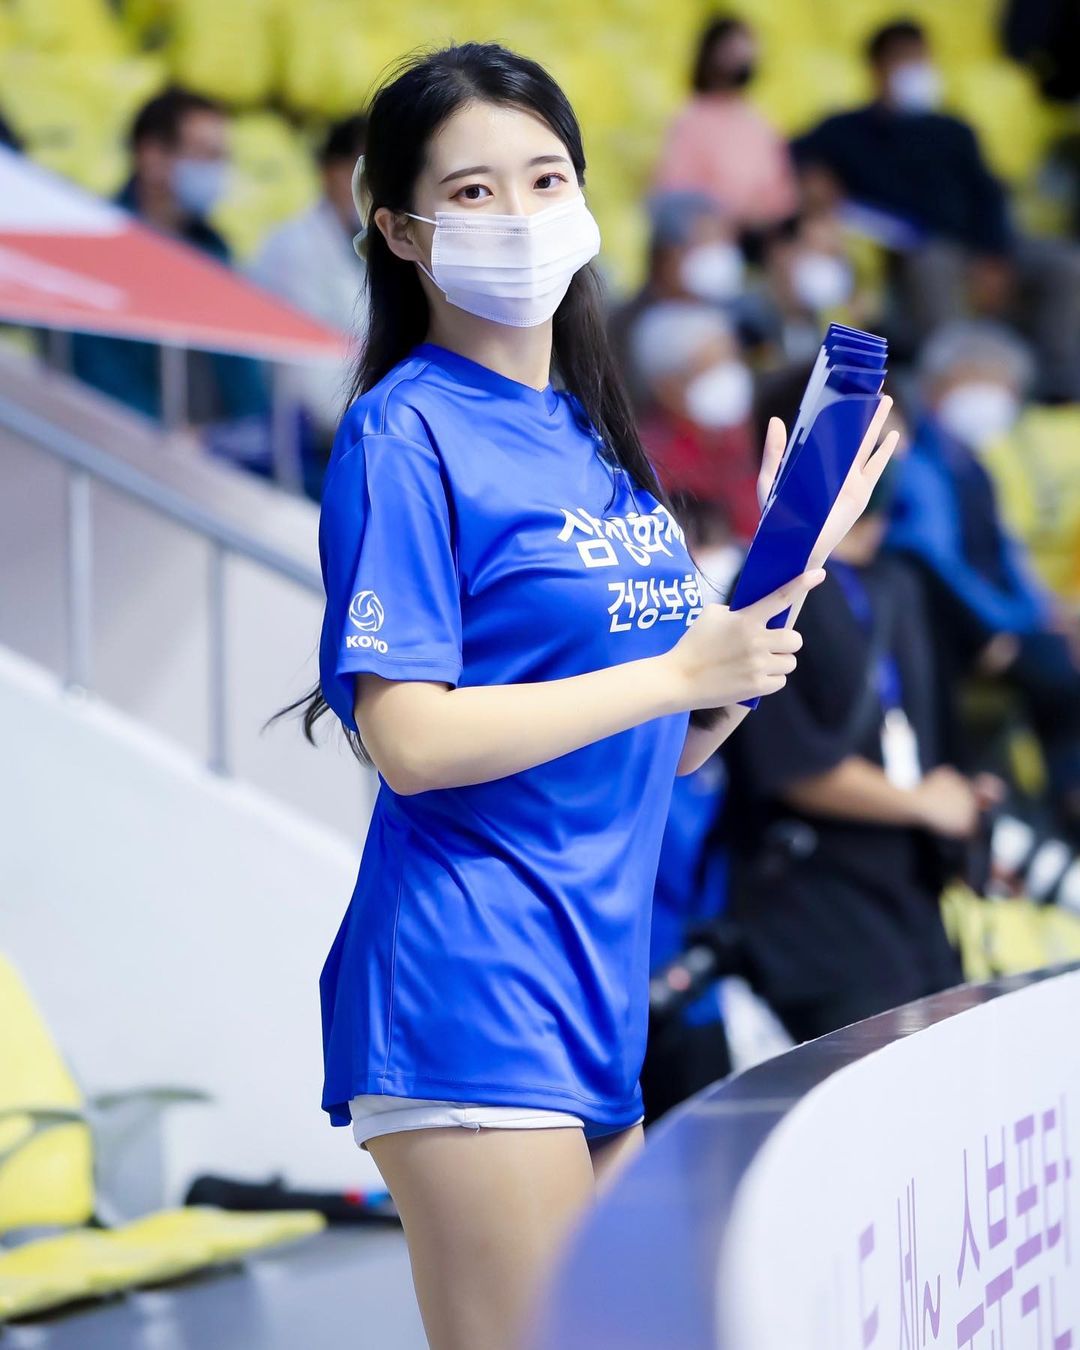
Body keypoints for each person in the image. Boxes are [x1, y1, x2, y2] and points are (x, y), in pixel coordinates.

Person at [267, 42, 897, 1350]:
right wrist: (675, 671)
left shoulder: (595, 440)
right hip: (470, 979)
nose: (519, 210)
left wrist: (784, 579)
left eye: (545, 176)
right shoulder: (404, 430)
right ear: (401, 231)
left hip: (594, 983)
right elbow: (408, 736)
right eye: (474, 189)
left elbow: (664, 742)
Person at [724, 462, 1001, 1041]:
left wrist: (962, 796)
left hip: (915, 898)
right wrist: (921, 804)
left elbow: (934, 733)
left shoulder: (900, 583)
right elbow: (791, 765)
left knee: (949, 1066)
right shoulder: (774, 590)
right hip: (822, 909)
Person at [792, 19, 1080, 398]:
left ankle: (1057, 387)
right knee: (934, 264)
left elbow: (987, 194)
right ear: (877, 68)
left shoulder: (953, 129)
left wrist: (994, 254)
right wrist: (816, 179)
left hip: (978, 243)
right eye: (904, 59)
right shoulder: (846, 131)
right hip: (913, 250)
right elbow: (795, 155)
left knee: (1065, 264)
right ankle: (954, 387)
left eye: (921, 58)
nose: (917, 70)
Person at [885, 320, 1080, 840]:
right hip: (959, 631)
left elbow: (1006, 551)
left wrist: (1044, 613)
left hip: (1001, 623)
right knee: (1063, 679)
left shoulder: (973, 464)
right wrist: (1005, 626)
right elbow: (936, 564)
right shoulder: (919, 462)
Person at [69, 87, 268, 429]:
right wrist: (169, 439)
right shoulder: (93, 252)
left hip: (217, 449)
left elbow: (243, 371)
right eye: (205, 155)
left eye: (222, 157)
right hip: (129, 447)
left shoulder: (216, 251)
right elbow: (97, 376)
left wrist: (251, 433)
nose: (218, 171)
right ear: (152, 156)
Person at [248, 114, 369, 500]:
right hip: (307, 448)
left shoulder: (380, 251)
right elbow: (311, 385)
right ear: (332, 172)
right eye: (367, 172)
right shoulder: (292, 249)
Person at [627, 299, 760, 547]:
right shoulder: (650, 461)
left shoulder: (740, 435)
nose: (728, 377)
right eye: (710, 368)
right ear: (666, 386)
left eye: (731, 360)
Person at [607, 188, 755, 411]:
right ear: (667, 256)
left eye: (722, 241)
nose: (718, 255)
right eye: (704, 243)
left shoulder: (731, 309)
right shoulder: (625, 324)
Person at [652, 15, 799, 236]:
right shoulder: (691, 120)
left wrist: (760, 216)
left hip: (760, 234)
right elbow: (676, 191)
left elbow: (782, 196)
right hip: (707, 233)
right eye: (731, 49)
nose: (742, 57)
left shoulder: (761, 125)